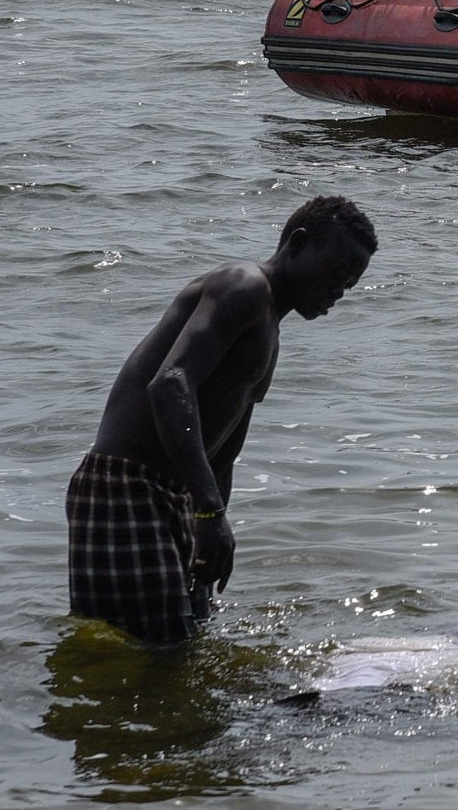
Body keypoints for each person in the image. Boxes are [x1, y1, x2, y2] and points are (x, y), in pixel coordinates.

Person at [66, 196, 378, 644]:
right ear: (297, 244)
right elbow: (170, 384)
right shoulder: (243, 286)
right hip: (125, 487)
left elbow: (225, 452)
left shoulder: (270, 331)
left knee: (185, 641)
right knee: (160, 653)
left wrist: (210, 533)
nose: (338, 290)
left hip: (176, 496)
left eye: (349, 284)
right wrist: (209, 510)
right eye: (334, 272)